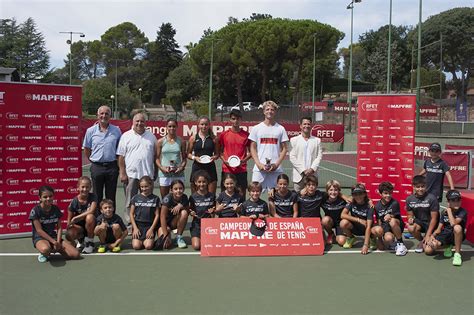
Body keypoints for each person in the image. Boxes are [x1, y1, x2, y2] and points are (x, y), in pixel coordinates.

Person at [117, 112, 158, 227]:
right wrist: (122, 172)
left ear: (145, 123)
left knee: (147, 201)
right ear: (133, 122)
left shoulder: (152, 137)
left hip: (147, 175)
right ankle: (130, 224)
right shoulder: (126, 136)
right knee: (130, 201)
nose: (140, 123)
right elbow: (121, 156)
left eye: (142, 121)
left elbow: (155, 156)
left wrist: (155, 171)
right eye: (137, 121)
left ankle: (147, 222)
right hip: (131, 175)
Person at [83, 105, 122, 207]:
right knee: (96, 195)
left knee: (111, 195)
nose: (104, 116)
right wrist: (93, 161)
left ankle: (111, 219)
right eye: (102, 113)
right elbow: (86, 149)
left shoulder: (116, 130)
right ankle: (97, 219)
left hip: (112, 167)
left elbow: (119, 149)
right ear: (98, 115)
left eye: (106, 114)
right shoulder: (90, 131)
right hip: (97, 167)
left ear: (110, 116)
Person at [30, 186, 80, 263]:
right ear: (40, 198)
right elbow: (39, 231)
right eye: (45, 197)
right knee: (45, 249)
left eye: (50, 196)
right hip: (40, 238)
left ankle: (58, 247)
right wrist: (54, 242)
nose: (48, 199)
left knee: (75, 254)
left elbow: (59, 228)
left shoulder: (56, 209)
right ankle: (44, 253)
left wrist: (58, 241)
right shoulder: (35, 211)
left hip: (53, 237)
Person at [249, 100, 289, 192]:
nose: (269, 111)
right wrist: (259, 164)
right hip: (259, 169)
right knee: (255, 194)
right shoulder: (256, 128)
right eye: (267, 109)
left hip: (276, 169)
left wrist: (276, 164)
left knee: (275, 195)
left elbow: (284, 149)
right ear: (263, 111)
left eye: (272, 109)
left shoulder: (281, 129)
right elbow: (252, 148)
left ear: (275, 112)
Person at [425, 190, 467, 266]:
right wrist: (431, 236)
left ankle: (457, 255)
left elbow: (453, 223)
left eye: (458, 200)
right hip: (445, 235)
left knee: (457, 228)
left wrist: (449, 210)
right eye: (453, 200)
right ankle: (448, 246)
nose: (456, 202)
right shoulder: (443, 213)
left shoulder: (462, 212)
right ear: (448, 202)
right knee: (428, 250)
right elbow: (438, 229)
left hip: (457, 235)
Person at [219, 109, 251, 198]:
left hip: (241, 170)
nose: (236, 121)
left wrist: (243, 160)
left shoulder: (247, 135)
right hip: (227, 169)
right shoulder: (224, 135)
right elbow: (220, 152)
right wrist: (224, 161)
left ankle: (240, 212)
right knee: (225, 195)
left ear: (241, 120)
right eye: (233, 119)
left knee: (241, 195)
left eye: (238, 119)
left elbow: (252, 152)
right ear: (230, 120)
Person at [371, 182, 407, 256]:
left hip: (397, 225)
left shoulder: (394, 203)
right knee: (388, 238)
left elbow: (396, 216)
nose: (388, 195)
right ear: (380, 194)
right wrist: (380, 240)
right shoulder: (377, 206)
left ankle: (401, 244)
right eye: (385, 193)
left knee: (392, 221)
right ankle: (392, 243)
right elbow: (379, 222)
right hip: (386, 228)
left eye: (390, 193)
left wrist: (390, 216)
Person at [406, 175, 440, 254]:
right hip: (420, 223)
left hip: (432, 224)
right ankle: (422, 241)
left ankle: (427, 239)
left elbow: (434, 219)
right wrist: (410, 219)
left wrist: (428, 234)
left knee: (428, 251)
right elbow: (410, 215)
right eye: (418, 187)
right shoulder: (409, 199)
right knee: (411, 228)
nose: (420, 189)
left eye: (423, 186)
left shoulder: (432, 198)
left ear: (426, 186)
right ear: (413, 187)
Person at [289, 116, 322, 192]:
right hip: (298, 177)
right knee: (298, 199)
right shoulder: (293, 140)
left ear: (311, 126)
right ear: (300, 126)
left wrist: (312, 169)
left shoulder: (317, 140)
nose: (306, 126)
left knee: (311, 199)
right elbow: (292, 157)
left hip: (313, 176)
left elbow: (319, 156)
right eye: (304, 124)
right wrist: (303, 170)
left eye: (308, 124)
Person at [155, 118, 187, 198]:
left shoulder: (182, 141)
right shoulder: (160, 141)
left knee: (178, 197)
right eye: (169, 126)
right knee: (165, 199)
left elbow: (184, 159)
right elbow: (157, 159)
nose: (172, 128)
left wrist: (181, 167)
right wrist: (162, 168)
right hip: (164, 174)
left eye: (174, 126)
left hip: (178, 174)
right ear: (166, 127)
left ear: (177, 127)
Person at [187, 116, 219, 194]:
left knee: (211, 197)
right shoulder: (193, 138)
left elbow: (217, 154)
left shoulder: (214, 138)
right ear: (198, 125)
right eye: (202, 124)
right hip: (197, 167)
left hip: (210, 168)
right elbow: (188, 154)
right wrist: (195, 157)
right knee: (195, 197)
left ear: (209, 125)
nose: (204, 126)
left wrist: (214, 157)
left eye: (206, 124)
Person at [66, 176, 98, 254]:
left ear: (90, 187)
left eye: (87, 187)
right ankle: (81, 241)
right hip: (80, 226)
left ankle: (90, 242)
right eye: (82, 187)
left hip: (92, 224)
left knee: (89, 217)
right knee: (70, 233)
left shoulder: (93, 196)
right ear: (78, 187)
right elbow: (69, 219)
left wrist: (77, 217)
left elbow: (92, 210)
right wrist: (70, 228)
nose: (85, 189)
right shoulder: (74, 201)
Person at [340, 184, 374, 255]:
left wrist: (365, 245)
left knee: (377, 230)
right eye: (355, 194)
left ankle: (372, 238)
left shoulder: (369, 205)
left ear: (364, 194)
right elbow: (342, 215)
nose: (358, 196)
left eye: (360, 193)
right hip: (355, 228)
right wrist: (358, 220)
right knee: (343, 223)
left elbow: (368, 227)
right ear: (353, 195)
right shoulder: (351, 202)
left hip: (366, 229)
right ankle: (351, 237)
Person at [130, 176, 161, 250]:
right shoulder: (135, 198)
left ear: (151, 185)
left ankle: (151, 240)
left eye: (146, 186)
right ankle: (140, 241)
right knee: (136, 246)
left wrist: (151, 229)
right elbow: (131, 214)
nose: (144, 189)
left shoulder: (155, 198)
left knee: (148, 246)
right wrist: (135, 228)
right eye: (142, 187)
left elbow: (157, 215)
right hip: (138, 226)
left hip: (149, 226)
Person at [189, 171, 216, 250]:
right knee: (197, 246)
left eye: (204, 182)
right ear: (195, 183)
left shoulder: (212, 196)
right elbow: (190, 210)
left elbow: (215, 209)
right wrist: (191, 213)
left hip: (209, 225)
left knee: (211, 246)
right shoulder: (193, 197)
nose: (202, 184)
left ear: (207, 182)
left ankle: (206, 237)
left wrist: (213, 210)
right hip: (197, 225)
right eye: (199, 182)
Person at [158, 180, 190, 249]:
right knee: (166, 245)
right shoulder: (167, 199)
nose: (178, 191)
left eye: (180, 188)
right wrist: (166, 234)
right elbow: (162, 217)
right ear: (171, 190)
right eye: (175, 189)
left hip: (174, 223)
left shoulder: (184, 197)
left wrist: (181, 205)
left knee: (184, 212)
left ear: (183, 189)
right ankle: (167, 234)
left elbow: (188, 211)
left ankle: (178, 237)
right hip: (164, 224)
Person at [320, 180, 350, 246]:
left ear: (339, 191)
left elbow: (352, 199)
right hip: (329, 222)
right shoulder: (323, 199)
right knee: (325, 220)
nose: (333, 192)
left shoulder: (343, 200)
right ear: (327, 191)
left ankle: (341, 235)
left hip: (340, 223)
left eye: (336, 190)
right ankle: (331, 234)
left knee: (341, 242)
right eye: (330, 190)